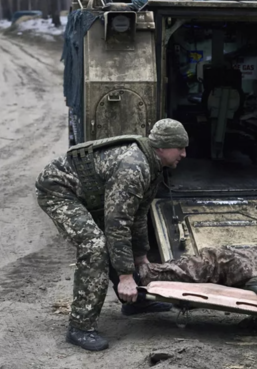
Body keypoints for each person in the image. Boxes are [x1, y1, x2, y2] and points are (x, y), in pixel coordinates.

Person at [35, 119, 189, 352]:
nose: (184, 154)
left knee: (115, 242)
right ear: (162, 147)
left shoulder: (153, 165)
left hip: (89, 195)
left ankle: (134, 303)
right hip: (59, 190)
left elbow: (138, 215)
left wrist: (141, 256)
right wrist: (126, 275)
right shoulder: (133, 167)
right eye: (180, 148)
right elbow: (117, 224)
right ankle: (80, 327)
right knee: (95, 245)